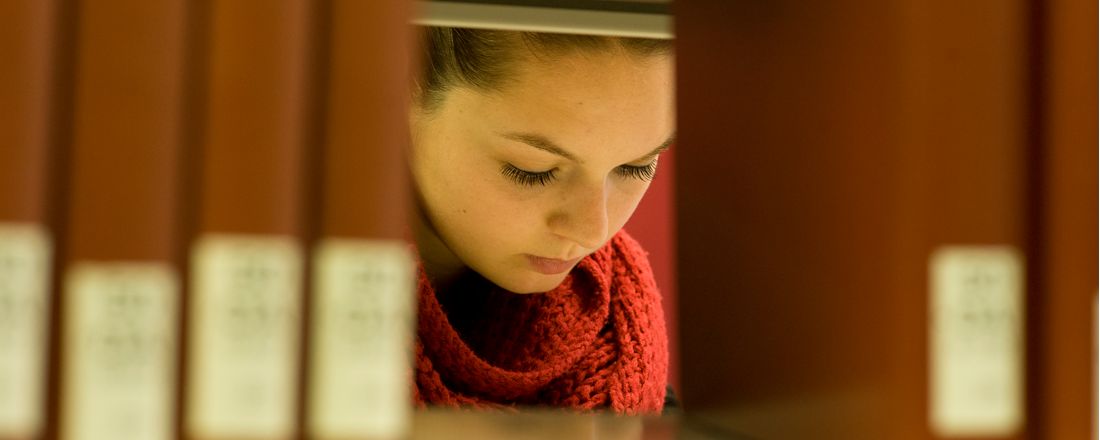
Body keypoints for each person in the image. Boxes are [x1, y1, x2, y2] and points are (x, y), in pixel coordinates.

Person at [408, 27, 675, 414]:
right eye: (533, 171)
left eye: (636, 167)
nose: (593, 230)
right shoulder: (299, 331)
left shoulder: (625, 354)